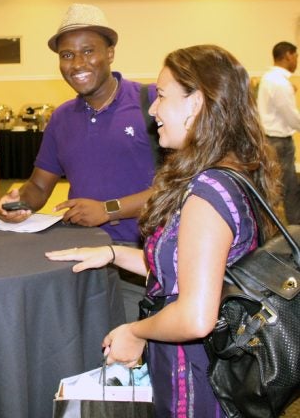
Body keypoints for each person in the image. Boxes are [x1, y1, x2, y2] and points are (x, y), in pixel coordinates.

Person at [46, 45, 281, 417]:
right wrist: (113, 253)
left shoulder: (206, 193)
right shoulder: (234, 172)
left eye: (163, 97)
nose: (153, 108)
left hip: (199, 380)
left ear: (195, 103)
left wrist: (135, 332)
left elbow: (194, 315)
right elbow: (192, 270)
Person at [0, 3, 160, 320]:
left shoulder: (149, 101)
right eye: (67, 55)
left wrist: (108, 208)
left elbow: (182, 188)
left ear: (110, 52)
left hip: (141, 257)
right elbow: (39, 186)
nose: (77, 63)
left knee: (124, 348)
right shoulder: (61, 118)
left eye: (88, 51)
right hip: (78, 252)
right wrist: (17, 203)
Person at [257, 41, 300, 223]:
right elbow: (291, 117)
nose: (297, 61)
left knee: (272, 188)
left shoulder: (268, 78)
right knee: (289, 189)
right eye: (296, 56)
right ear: (288, 55)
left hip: (269, 139)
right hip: (279, 142)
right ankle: (295, 233)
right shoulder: (280, 83)